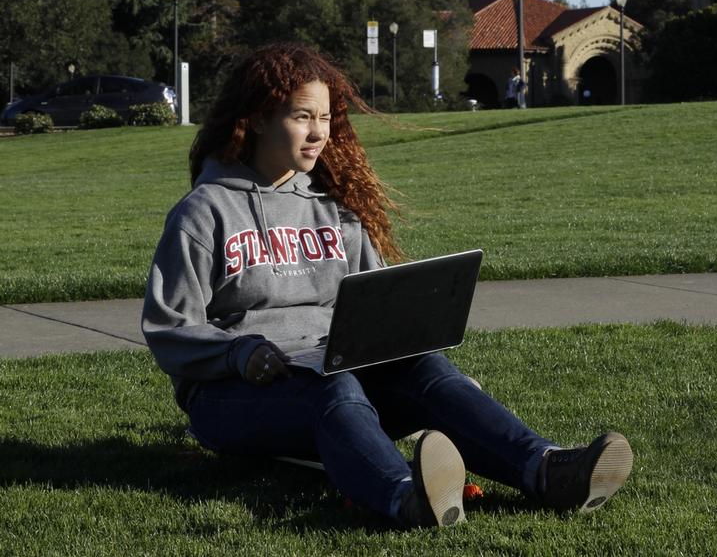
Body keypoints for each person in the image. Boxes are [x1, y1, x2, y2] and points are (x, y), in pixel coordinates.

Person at [142, 42, 633, 530]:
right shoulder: (203, 213)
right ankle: (407, 497)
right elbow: (168, 329)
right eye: (302, 117)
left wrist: (404, 332)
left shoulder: (335, 210)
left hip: (334, 370)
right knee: (332, 387)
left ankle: (547, 470)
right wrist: (238, 354)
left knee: (425, 369)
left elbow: (374, 305)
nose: (318, 134)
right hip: (234, 395)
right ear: (258, 118)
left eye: (326, 118)